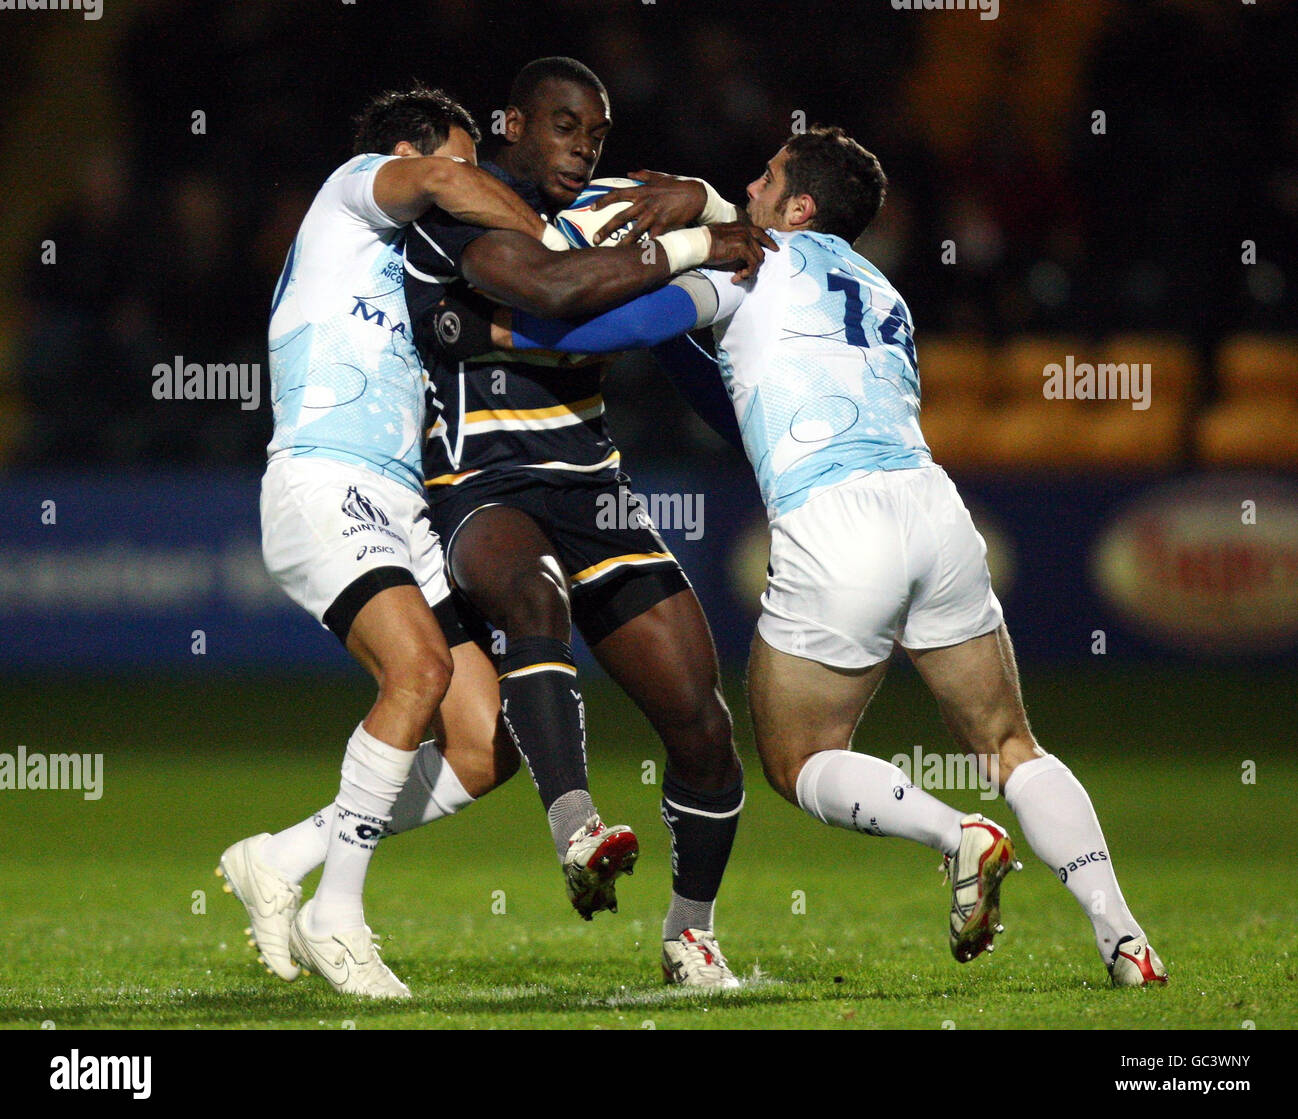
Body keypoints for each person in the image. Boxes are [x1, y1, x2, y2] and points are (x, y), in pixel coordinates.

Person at [459, 125, 1169, 988]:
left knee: (798, 759)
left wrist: (497, 322)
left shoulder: (746, 261)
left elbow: (596, 328)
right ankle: (1125, 938)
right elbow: (726, 395)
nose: (745, 193)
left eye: (763, 180)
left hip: (836, 521)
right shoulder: (882, 290)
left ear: (796, 206)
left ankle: (957, 836)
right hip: (935, 510)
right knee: (1011, 742)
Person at [402, 57, 774, 988]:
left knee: (704, 725)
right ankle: (576, 832)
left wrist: (708, 198)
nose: (582, 149)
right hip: (482, 485)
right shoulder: (458, 211)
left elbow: (758, 240)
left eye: (597, 134)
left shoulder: (622, 201)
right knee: (533, 600)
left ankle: (691, 934)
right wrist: (692, 245)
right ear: (514, 123)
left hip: (595, 490)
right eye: (565, 126)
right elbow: (557, 294)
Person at [218, 85, 577, 999]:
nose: (465, 180)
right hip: (323, 478)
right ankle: (336, 914)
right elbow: (445, 188)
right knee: (415, 670)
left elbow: (518, 328)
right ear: (415, 159)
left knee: (485, 739)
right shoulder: (351, 192)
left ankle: (283, 854)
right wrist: (547, 233)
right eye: (458, 160)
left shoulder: (413, 287)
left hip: (401, 506)